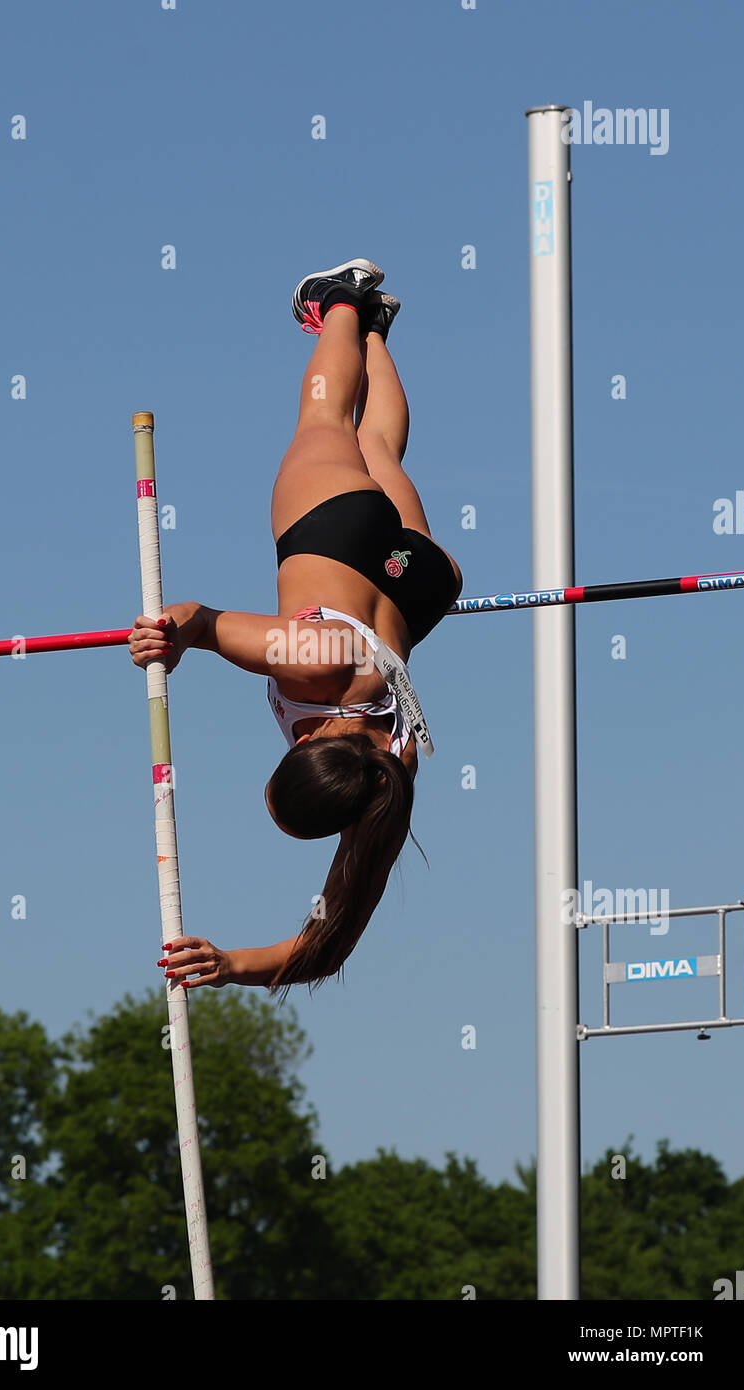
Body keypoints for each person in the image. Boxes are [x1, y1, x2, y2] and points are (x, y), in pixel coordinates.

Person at [129, 259, 462, 995]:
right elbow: (203, 622)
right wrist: (165, 637)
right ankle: (342, 303)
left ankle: (375, 330)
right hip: (338, 534)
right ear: (305, 743)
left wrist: (230, 966)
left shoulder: (388, 783)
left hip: (421, 584)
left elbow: (330, 944)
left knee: (380, 448)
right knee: (323, 417)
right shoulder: (306, 662)